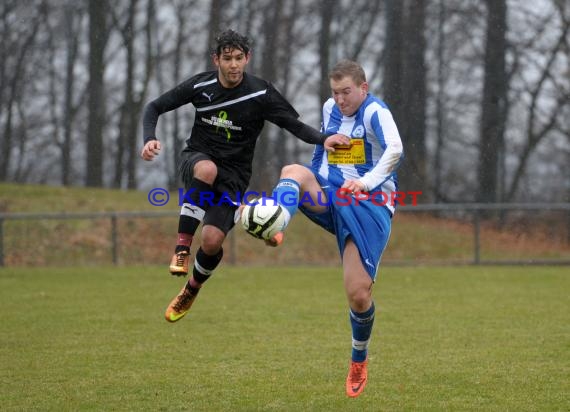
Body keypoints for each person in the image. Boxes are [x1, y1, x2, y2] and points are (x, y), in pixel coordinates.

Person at [140, 30, 349, 323]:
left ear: (247, 58)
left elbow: (293, 125)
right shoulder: (201, 85)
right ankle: (181, 248)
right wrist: (149, 138)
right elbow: (154, 107)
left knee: (212, 241)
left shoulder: (261, 93)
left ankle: (191, 289)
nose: (234, 65)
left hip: (234, 177)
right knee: (207, 169)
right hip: (197, 160)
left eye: (239, 58)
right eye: (228, 59)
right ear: (217, 60)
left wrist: (323, 138)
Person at [245, 60, 404, 397]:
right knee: (294, 171)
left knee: (359, 294)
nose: (341, 99)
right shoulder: (330, 107)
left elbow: (396, 149)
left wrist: (365, 182)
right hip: (333, 196)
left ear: (363, 87)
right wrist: (317, 180)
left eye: (347, 91)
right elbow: (322, 152)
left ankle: (358, 359)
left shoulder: (376, 112)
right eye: (335, 92)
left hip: (369, 205)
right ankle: (276, 224)